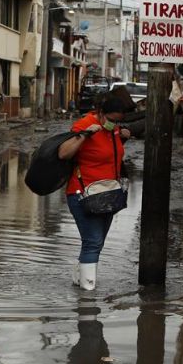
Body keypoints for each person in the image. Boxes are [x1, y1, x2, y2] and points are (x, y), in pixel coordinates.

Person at [58, 96, 131, 290]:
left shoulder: (113, 129)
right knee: (93, 241)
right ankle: (87, 299)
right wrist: (84, 135)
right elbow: (63, 153)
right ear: (100, 112)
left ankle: (79, 277)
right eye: (112, 119)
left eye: (118, 120)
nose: (114, 124)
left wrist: (122, 136)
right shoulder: (85, 124)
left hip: (107, 194)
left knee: (96, 243)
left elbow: (108, 157)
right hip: (83, 194)